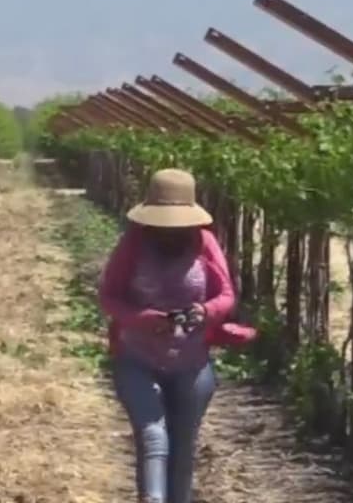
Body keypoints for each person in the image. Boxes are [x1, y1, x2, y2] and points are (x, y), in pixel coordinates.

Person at [98, 168, 251, 503]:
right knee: (153, 437)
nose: (170, 232)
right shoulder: (134, 244)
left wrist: (205, 312)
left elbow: (226, 295)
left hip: (191, 362)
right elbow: (109, 297)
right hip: (137, 357)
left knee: (183, 444)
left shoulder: (205, 243)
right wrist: (146, 319)